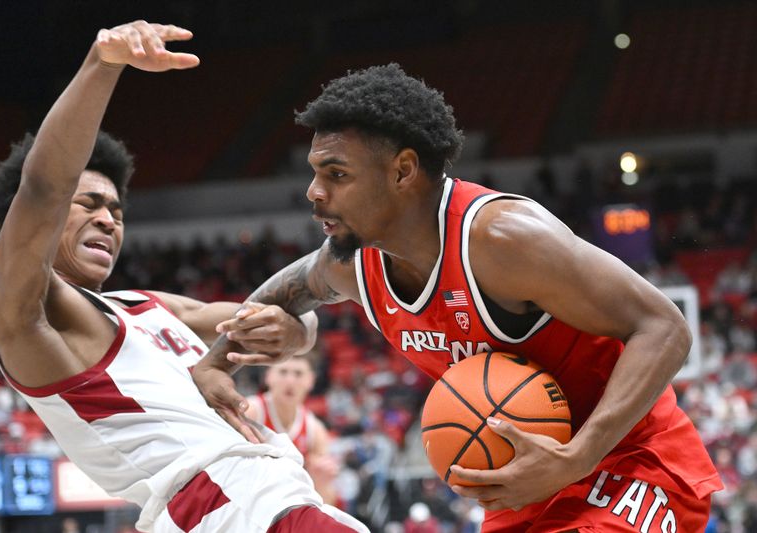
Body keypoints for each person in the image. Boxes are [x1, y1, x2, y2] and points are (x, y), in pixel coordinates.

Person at [215, 64, 723, 531]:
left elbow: (666, 328)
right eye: (314, 171)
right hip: (524, 486)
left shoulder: (503, 240)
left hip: (630, 461)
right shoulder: (353, 264)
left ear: (402, 171)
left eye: (336, 174)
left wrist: (578, 457)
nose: (313, 191)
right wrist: (218, 363)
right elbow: (297, 285)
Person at [0, 20, 367, 533]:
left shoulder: (143, 304)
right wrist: (103, 63)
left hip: (272, 495)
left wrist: (296, 333)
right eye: (88, 204)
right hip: (227, 506)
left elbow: (286, 315)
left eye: (116, 210)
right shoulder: (26, 314)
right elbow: (44, 186)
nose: (108, 219)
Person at [245, 354, 340, 505]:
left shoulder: (315, 430)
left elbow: (327, 503)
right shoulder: (250, 411)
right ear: (268, 377)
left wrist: (321, 482)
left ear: (311, 380)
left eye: (298, 374)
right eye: (283, 372)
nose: (290, 381)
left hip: (284, 506)